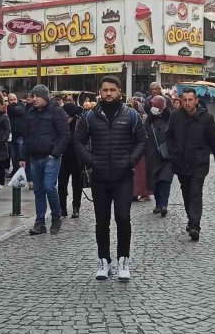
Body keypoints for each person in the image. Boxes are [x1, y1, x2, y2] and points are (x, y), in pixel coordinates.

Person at [73, 76, 147, 281]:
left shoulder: (131, 115)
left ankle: (123, 259)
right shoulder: (89, 116)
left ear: (119, 91)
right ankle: (103, 260)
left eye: (112, 90)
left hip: (123, 176)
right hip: (99, 177)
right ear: (100, 92)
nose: (108, 93)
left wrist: (131, 160)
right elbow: (77, 141)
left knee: (123, 218)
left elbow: (143, 141)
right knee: (101, 221)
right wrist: (90, 161)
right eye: (105, 90)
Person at [166, 87, 215, 242]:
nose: (187, 103)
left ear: (196, 101)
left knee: (196, 191)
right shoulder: (175, 116)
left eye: (190, 100)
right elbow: (169, 136)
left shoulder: (206, 118)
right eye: (184, 100)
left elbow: (214, 140)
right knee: (186, 192)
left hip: (199, 163)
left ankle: (195, 226)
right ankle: (191, 219)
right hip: (181, 161)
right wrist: (173, 152)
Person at [20, 84, 70, 236]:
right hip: (35, 156)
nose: (34, 99)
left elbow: (65, 134)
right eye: (32, 96)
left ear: (45, 97)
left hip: (50, 156)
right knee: (38, 191)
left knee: (50, 187)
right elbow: (26, 136)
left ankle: (56, 216)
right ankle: (40, 222)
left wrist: (55, 153)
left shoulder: (57, 112)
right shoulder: (30, 113)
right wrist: (23, 156)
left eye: (37, 96)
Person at [144, 95, 173, 217]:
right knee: (155, 180)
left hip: (167, 155)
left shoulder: (170, 118)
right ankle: (158, 204)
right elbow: (144, 137)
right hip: (153, 155)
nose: (153, 108)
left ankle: (164, 204)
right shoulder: (148, 121)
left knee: (165, 180)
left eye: (155, 106)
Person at [59, 103, 83, 218]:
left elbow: (86, 139)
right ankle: (62, 208)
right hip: (63, 157)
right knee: (62, 184)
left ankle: (76, 207)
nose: (66, 118)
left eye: (68, 116)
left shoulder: (80, 122)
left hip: (77, 158)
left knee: (77, 184)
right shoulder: (60, 123)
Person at [6, 93, 26, 179]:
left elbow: (18, 110)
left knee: (20, 155)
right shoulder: (8, 109)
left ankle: (21, 172)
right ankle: (15, 171)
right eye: (11, 100)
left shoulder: (21, 106)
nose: (13, 101)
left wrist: (9, 107)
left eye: (14, 99)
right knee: (13, 157)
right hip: (11, 136)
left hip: (20, 135)